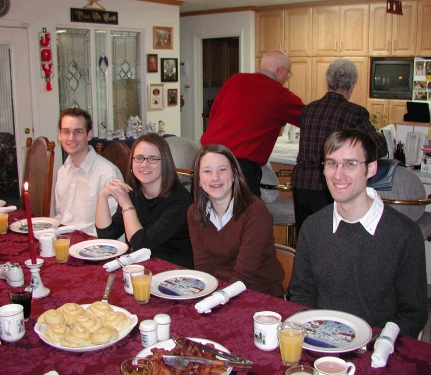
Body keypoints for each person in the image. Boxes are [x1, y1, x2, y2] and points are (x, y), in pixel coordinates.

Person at [289, 128, 428, 338]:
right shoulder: (313, 227)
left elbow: (413, 315)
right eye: (332, 163)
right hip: (321, 339)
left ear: (371, 168)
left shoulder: (404, 234)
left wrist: (377, 346)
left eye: (350, 164)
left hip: (376, 346)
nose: (338, 174)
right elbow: (301, 294)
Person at [291, 58, 388, 235]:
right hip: (330, 185)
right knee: (331, 237)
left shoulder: (308, 110)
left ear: (327, 83)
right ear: (352, 86)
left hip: (302, 183)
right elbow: (378, 148)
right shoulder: (354, 112)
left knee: (307, 235)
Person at [200, 49, 305, 197]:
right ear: (280, 70)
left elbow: (213, 115)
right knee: (246, 217)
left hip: (206, 159)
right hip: (239, 167)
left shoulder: (234, 81)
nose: (287, 78)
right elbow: (310, 120)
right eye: (288, 74)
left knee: (203, 214)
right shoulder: (281, 96)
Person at [187, 144, 284, 296]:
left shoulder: (255, 211)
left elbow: (242, 277)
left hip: (260, 295)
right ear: (198, 178)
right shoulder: (194, 212)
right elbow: (202, 267)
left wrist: (215, 302)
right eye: (207, 171)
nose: (215, 178)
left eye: (222, 169)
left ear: (234, 174)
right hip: (219, 293)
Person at [95, 133, 193, 269]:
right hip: (141, 270)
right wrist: (102, 197)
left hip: (173, 273)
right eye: (139, 158)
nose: (144, 165)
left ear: (165, 162)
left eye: (152, 159)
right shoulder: (135, 193)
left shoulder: (180, 200)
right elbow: (107, 236)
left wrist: (126, 205)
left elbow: (141, 247)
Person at [54, 108, 123, 236]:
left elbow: (113, 230)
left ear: (89, 135)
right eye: (66, 131)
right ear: (59, 135)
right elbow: (60, 216)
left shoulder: (107, 174)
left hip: (94, 246)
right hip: (65, 240)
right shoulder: (62, 171)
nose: (71, 138)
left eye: (78, 131)